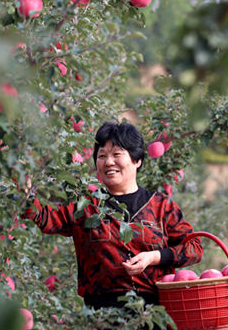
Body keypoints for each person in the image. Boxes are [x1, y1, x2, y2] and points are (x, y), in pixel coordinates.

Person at [22, 121, 203, 317]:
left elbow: (194, 248)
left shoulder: (161, 206)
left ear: (137, 160)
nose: (108, 162)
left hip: (154, 315)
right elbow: (44, 216)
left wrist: (154, 257)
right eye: (101, 156)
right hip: (101, 316)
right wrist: (24, 190)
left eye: (117, 154)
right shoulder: (86, 205)